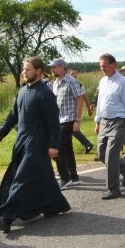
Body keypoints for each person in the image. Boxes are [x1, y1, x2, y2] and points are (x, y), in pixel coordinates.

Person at [0, 57, 71, 233]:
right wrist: (0, 133)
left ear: (39, 72)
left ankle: (6, 218)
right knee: (42, 177)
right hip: (21, 140)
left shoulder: (45, 94)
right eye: (23, 70)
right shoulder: (21, 92)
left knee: (21, 179)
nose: (24, 73)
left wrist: (53, 145)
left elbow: (53, 123)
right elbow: (13, 116)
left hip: (37, 143)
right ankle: (54, 205)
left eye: (28, 70)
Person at [94, 53, 125, 200]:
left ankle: (113, 189)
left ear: (113, 65)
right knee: (101, 153)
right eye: (101, 66)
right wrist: (97, 120)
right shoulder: (102, 81)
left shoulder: (123, 82)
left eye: (105, 66)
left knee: (111, 155)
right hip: (105, 121)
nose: (103, 69)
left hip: (119, 121)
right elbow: (100, 102)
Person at [48, 58, 87, 189]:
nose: (52, 70)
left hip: (69, 119)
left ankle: (65, 177)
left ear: (62, 67)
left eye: (54, 67)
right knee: (68, 149)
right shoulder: (55, 83)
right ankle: (74, 176)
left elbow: (80, 100)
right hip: (59, 119)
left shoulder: (71, 81)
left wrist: (77, 120)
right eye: (51, 67)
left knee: (58, 147)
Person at [67, 68, 95, 154]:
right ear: (68, 74)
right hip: (65, 111)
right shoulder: (65, 84)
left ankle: (87, 144)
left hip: (74, 111)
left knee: (72, 129)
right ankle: (87, 144)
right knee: (71, 130)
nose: (74, 75)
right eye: (72, 73)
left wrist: (89, 109)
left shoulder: (79, 85)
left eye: (75, 73)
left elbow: (85, 97)